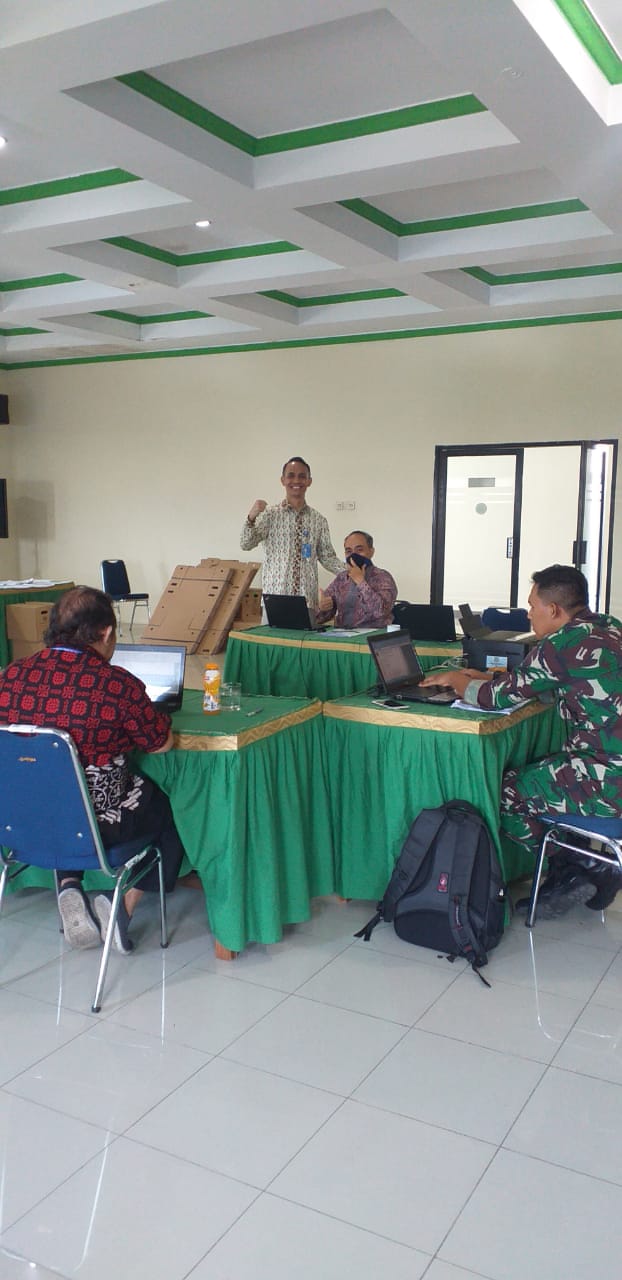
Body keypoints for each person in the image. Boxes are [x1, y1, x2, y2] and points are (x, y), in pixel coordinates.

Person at [421, 565, 622, 914]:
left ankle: (576, 868)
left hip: (608, 780)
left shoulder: (560, 644)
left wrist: (458, 681)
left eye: (532, 606)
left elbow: (495, 699)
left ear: (553, 609)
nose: (529, 614)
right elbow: (553, 681)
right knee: (542, 771)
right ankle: (590, 866)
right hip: (608, 769)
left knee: (504, 793)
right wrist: (487, 677)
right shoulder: (609, 626)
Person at [0, 586, 186, 952]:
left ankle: (69, 886)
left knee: (58, 790)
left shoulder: (10, 677)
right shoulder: (115, 684)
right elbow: (159, 743)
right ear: (106, 632)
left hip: (18, 819)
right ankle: (120, 908)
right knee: (165, 808)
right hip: (99, 825)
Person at [240, 455, 343, 611]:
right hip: (275, 600)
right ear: (283, 480)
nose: (296, 481)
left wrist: (351, 571)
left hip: (307, 602)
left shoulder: (318, 520)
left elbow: (327, 557)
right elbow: (246, 544)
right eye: (291, 476)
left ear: (309, 481)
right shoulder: (270, 515)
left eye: (302, 476)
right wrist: (251, 518)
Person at [316, 530, 397, 628]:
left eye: (359, 550)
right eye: (348, 551)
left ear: (371, 552)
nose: (353, 555)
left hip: (375, 634)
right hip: (343, 634)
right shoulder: (341, 578)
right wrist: (323, 608)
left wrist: (360, 581)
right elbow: (319, 619)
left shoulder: (383, 577)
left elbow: (380, 612)